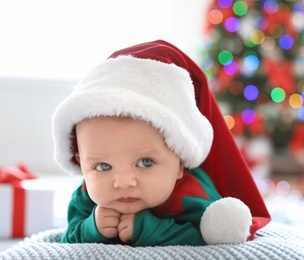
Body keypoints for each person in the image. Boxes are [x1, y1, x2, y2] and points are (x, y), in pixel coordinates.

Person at [52, 40, 271, 246]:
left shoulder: (192, 195)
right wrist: (91, 228)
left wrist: (152, 230)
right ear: (82, 165)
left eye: (145, 162)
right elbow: (68, 238)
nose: (123, 182)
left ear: (180, 164)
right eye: (103, 166)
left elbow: (209, 238)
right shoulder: (84, 195)